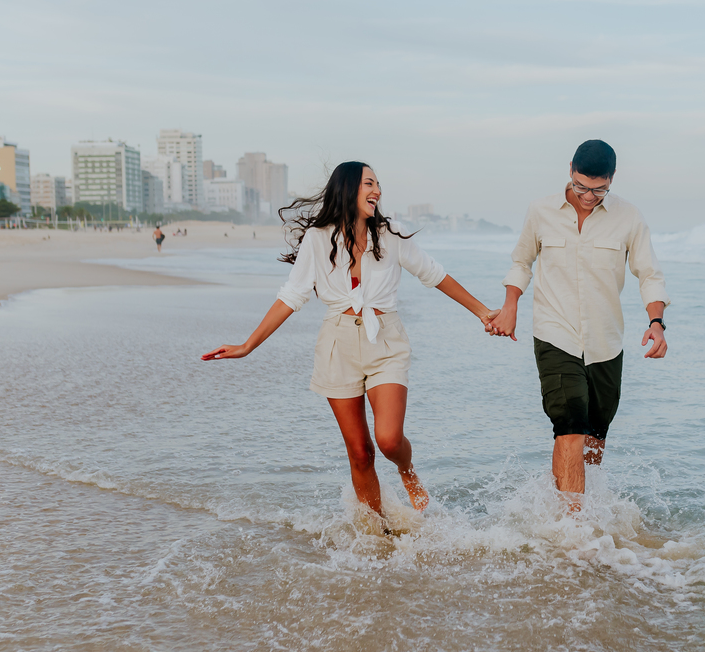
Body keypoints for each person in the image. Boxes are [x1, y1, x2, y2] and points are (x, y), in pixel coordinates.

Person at [202, 161, 498, 525]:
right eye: (369, 184)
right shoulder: (317, 238)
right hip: (337, 344)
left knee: (389, 440)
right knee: (360, 452)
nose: (377, 191)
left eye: (378, 184)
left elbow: (435, 275)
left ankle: (407, 470)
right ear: (348, 188)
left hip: (385, 339)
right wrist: (248, 345)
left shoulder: (391, 234)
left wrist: (483, 312)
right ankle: (378, 531)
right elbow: (291, 296)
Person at [489, 140, 670, 511]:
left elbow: (649, 274)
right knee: (569, 427)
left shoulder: (629, 217)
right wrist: (511, 305)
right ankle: (575, 534)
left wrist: (656, 322)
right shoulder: (540, 211)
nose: (589, 196)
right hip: (555, 333)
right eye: (581, 187)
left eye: (599, 189)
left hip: (606, 341)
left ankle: (564, 509)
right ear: (570, 170)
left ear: (612, 179)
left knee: (592, 440)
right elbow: (521, 262)